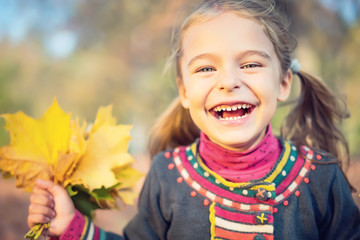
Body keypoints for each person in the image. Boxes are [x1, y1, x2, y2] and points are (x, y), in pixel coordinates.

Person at [28, 0, 360, 239]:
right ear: (184, 91)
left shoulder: (319, 178)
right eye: (206, 69)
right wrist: (73, 227)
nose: (229, 81)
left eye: (250, 64)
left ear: (283, 83)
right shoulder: (166, 176)